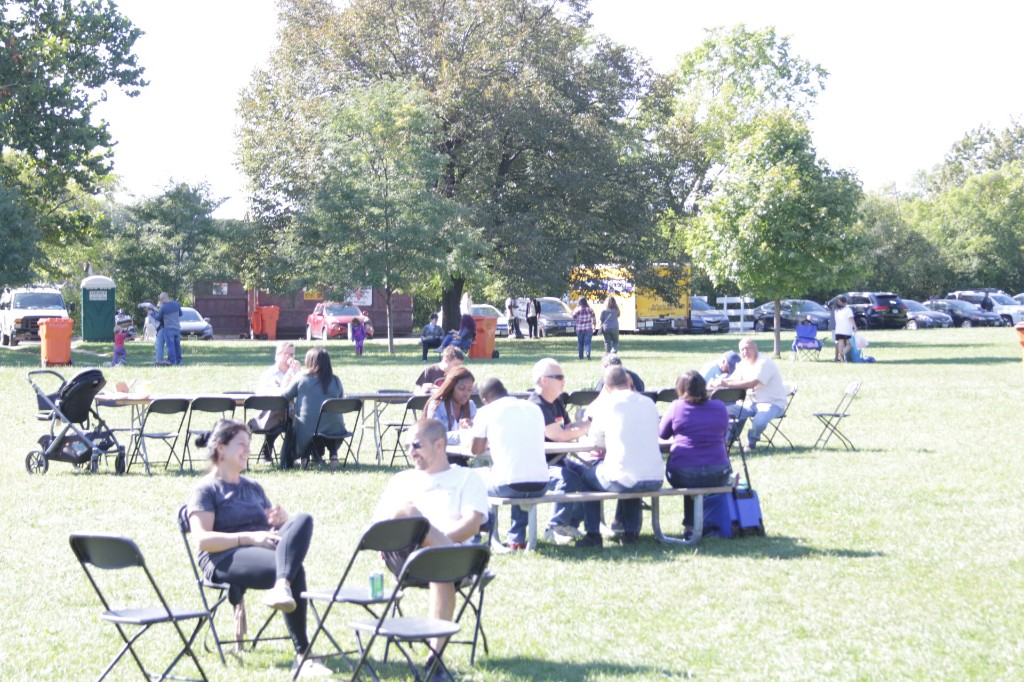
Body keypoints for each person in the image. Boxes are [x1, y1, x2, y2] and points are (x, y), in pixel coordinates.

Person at [186, 419, 329, 678]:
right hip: (222, 557)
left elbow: (271, 529)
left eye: (249, 445)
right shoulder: (205, 489)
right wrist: (249, 538)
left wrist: (280, 521)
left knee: (302, 520)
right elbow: (203, 540)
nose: (248, 450)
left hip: (261, 547)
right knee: (292, 568)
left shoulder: (252, 487)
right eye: (241, 444)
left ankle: (281, 586)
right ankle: (302, 653)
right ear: (220, 448)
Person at [372, 419, 488, 660]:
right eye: (407, 447)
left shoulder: (467, 478)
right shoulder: (402, 480)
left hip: (450, 561)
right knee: (405, 509)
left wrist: (439, 542)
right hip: (405, 556)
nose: (411, 452)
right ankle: (445, 550)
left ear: (439, 444)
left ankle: (435, 658)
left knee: (440, 565)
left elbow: (472, 523)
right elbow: (379, 526)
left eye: (416, 445)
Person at [573, 366, 664, 548]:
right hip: (655, 478)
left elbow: (596, 440)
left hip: (623, 478)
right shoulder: (649, 403)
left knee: (587, 477)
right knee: (630, 472)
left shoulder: (607, 406)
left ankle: (592, 534)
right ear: (630, 382)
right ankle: (630, 533)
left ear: (606, 388)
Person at [470, 378, 549, 550]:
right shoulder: (534, 408)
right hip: (542, 484)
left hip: (509, 484)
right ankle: (516, 538)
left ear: (484, 399)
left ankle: (476, 534)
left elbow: (476, 449)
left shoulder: (486, 412)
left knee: (471, 479)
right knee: (516, 470)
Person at [660, 371, 733, 541]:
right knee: (697, 477)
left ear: (680, 389)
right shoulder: (720, 407)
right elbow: (724, 433)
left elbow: (662, 434)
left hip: (683, 472)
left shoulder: (676, 407)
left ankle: (691, 527)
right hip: (719, 472)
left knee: (690, 475)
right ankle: (706, 525)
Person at [528, 358, 587, 544]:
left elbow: (569, 428)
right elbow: (558, 435)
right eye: (559, 377)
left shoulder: (556, 401)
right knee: (568, 479)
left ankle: (570, 524)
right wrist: (585, 428)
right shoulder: (536, 405)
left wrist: (590, 421)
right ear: (544, 380)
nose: (564, 381)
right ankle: (554, 528)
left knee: (591, 476)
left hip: (558, 459)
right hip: (537, 464)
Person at [716, 337, 790, 452]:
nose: (745, 352)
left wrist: (725, 383)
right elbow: (732, 379)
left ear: (755, 348)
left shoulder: (764, 362)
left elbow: (752, 383)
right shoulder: (742, 364)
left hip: (772, 404)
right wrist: (718, 383)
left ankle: (751, 443)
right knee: (722, 411)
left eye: (747, 348)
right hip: (751, 404)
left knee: (759, 421)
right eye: (742, 350)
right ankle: (725, 441)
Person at [281, 348, 345, 469]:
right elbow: (340, 401)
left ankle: (305, 456)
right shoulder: (336, 381)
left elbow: (286, 395)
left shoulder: (301, 378)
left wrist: (285, 382)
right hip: (335, 428)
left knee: (311, 423)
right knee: (327, 420)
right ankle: (333, 455)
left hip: (306, 428)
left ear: (309, 361)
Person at [252, 341, 302, 462]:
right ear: (278, 355)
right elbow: (264, 394)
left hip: (292, 413)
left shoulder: (296, 373)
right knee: (282, 412)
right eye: (287, 354)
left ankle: (300, 454)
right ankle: (278, 452)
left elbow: (305, 392)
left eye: (292, 354)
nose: (290, 358)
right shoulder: (270, 374)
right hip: (270, 414)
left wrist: (299, 374)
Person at [425, 366, 477, 447]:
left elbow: (479, 435)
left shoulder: (471, 406)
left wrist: (472, 427)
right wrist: (463, 434)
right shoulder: (437, 406)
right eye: (462, 388)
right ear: (451, 388)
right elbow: (435, 437)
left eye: (469, 389)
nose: (466, 393)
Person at [154, 292, 182, 366]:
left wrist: (151, 314)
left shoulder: (164, 307)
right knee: (177, 346)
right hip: (177, 328)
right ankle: (179, 361)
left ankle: (172, 361)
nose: (160, 301)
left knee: (170, 346)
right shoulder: (176, 304)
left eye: (160, 299)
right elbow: (181, 314)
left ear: (164, 298)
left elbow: (158, 318)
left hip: (169, 329)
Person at [833, 296, 857, 362]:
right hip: (846, 330)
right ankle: (842, 355)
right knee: (849, 345)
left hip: (838, 330)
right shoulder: (848, 310)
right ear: (845, 302)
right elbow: (851, 319)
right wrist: (855, 327)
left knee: (840, 344)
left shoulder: (836, 311)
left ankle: (841, 358)